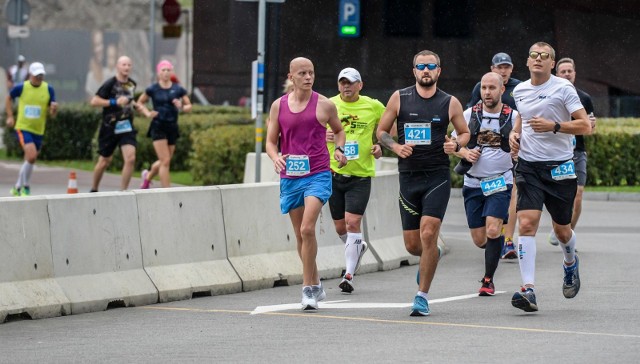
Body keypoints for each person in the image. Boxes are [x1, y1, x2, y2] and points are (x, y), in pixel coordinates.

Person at [377, 50, 470, 316]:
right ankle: (433, 254)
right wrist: (395, 146)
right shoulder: (400, 97)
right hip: (408, 177)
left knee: (428, 232)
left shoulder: (450, 102)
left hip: (437, 176)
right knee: (413, 245)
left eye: (431, 66)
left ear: (439, 71)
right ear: (414, 71)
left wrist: (456, 144)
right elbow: (381, 132)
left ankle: (422, 296)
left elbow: (464, 132)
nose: (426, 70)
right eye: (421, 66)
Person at [509, 42, 592, 313]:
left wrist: (554, 126)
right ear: (527, 60)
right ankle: (529, 289)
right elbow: (522, 117)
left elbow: (585, 126)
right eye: (534, 55)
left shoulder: (563, 88)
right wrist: (515, 135)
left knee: (561, 229)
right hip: (529, 167)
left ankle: (570, 262)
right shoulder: (519, 90)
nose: (538, 59)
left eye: (545, 56)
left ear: (552, 63)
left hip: (560, 168)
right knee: (527, 223)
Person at [265, 57, 348, 311]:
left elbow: (340, 130)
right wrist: (276, 157)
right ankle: (317, 282)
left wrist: (339, 150)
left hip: (318, 174)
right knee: (300, 234)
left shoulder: (324, 104)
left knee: (308, 229)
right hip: (291, 176)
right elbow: (270, 142)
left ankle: (307, 289)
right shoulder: (278, 106)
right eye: (302, 73)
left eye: (311, 72)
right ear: (291, 77)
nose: (308, 77)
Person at [453, 72, 518, 296]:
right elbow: (453, 145)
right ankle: (498, 243)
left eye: (492, 88)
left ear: (502, 90)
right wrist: (465, 152)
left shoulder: (514, 116)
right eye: (484, 88)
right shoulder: (470, 114)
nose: (487, 92)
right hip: (473, 183)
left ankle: (488, 280)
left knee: (492, 228)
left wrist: (517, 152)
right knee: (480, 239)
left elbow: (526, 147)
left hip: (500, 181)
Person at [326, 67, 385, 293]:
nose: (346, 87)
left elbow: (388, 126)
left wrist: (381, 145)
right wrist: (323, 135)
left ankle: (348, 275)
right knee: (341, 227)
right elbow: (311, 132)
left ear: (360, 85)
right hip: (333, 174)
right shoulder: (328, 105)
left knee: (352, 223)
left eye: (350, 83)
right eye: (342, 83)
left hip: (360, 176)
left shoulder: (373, 105)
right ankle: (358, 246)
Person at [548, 57, 596, 246]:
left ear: (575, 73)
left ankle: (566, 234)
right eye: (563, 71)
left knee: (578, 194)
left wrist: (590, 125)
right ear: (557, 74)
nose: (567, 74)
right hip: (555, 152)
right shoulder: (551, 95)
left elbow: (590, 128)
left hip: (577, 152)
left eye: (570, 71)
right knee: (555, 196)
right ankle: (560, 227)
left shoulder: (584, 98)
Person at [5, 62, 58, 196]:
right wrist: (10, 116)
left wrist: (53, 110)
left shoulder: (48, 89)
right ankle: (26, 187)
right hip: (23, 127)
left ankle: (18, 187)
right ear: (30, 75)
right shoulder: (22, 87)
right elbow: (8, 98)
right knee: (32, 156)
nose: (39, 78)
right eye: (37, 75)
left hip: (38, 130)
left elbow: (52, 114)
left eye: (41, 75)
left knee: (29, 160)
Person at [137, 60, 192, 189]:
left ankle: (147, 177)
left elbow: (189, 105)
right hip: (158, 126)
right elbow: (139, 102)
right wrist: (147, 113)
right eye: (163, 70)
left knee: (165, 161)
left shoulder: (178, 89)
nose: (166, 72)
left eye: (168, 70)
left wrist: (182, 107)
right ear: (158, 72)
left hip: (172, 126)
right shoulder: (153, 89)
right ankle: (166, 192)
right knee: (165, 161)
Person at [89, 56, 139, 192]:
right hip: (110, 126)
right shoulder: (110, 83)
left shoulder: (132, 84)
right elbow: (94, 101)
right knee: (105, 160)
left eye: (129, 65)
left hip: (126, 126)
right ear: (118, 66)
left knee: (130, 158)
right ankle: (94, 188)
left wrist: (136, 106)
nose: (127, 67)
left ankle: (123, 192)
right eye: (124, 65)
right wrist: (113, 102)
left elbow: (129, 100)